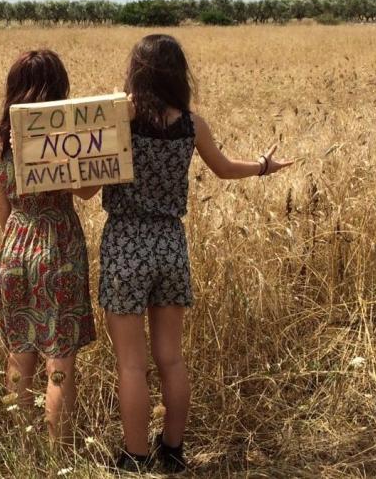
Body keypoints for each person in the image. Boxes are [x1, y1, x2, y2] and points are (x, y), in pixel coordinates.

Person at [99, 34, 294, 473]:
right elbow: (224, 169)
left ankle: (134, 457)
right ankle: (172, 450)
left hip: (125, 242)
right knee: (171, 357)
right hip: (171, 244)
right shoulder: (191, 124)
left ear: (137, 72)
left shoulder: (118, 120)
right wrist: (264, 165)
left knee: (132, 363)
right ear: (178, 75)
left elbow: (88, 185)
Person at [0, 49, 98, 443]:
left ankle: (19, 451)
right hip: (59, 247)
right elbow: (87, 191)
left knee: (20, 353)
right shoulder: (61, 138)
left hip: (14, 246)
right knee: (60, 362)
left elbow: (2, 208)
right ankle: (56, 462)